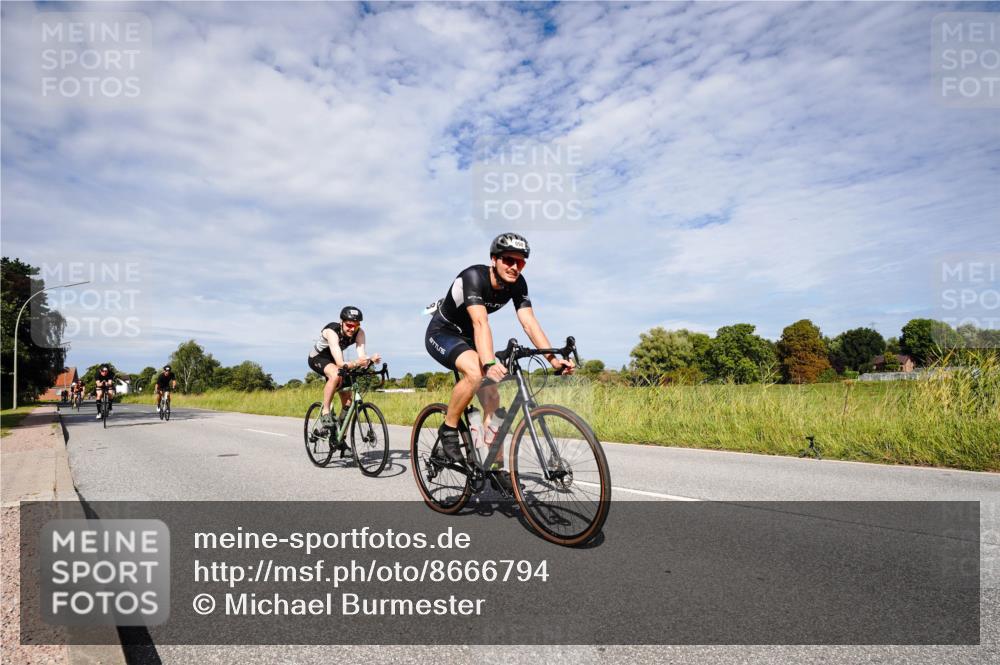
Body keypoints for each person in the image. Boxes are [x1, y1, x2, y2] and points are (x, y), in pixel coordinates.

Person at [424, 233, 574, 488]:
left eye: (521, 262)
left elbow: (529, 323)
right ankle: (448, 429)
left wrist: (553, 359)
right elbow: (481, 322)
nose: (515, 267)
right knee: (476, 372)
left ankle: (494, 466)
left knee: (492, 398)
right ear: (494, 259)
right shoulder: (473, 277)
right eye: (508, 260)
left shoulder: (518, 283)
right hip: (444, 333)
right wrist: (490, 364)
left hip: (470, 339)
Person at [307, 306, 381, 434]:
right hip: (318, 358)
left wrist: (369, 361)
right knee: (335, 374)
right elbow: (340, 364)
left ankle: (340, 438)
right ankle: (325, 411)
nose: (352, 329)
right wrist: (357, 362)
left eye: (356, 326)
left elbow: (361, 357)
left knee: (348, 402)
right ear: (341, 322)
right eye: (349, 325)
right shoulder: (332, 331)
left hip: (336, 361)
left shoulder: (360, 333)